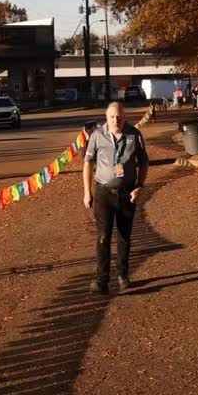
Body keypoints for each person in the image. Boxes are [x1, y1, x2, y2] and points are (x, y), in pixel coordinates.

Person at [83, 101, 149, 295]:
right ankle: (101, 280)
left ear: (125, 117)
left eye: (119, 116)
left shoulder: (134, 134)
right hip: (104, 193)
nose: (116, 120)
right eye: (112, 117)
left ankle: (123, 276)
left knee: (124, 236)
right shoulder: (97, 136)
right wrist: (87, 192)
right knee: (103, 237)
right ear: (107, 118)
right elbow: (88, 163)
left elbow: (144, 162)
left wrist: (139, 186)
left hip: (127, 193)